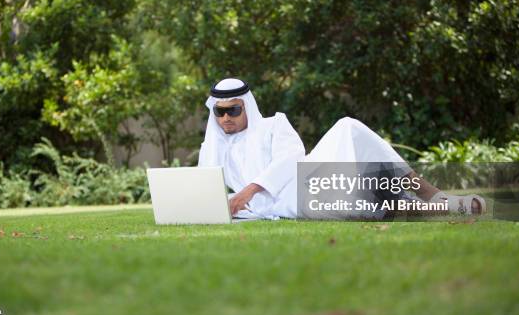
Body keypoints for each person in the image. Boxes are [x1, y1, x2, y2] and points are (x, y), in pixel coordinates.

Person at [198, 78, 486, 219]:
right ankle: (448, 207)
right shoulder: (212, 146)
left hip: (303, 180)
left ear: (246, 106)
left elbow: (291, 159)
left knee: (349, 126)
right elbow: (204, 189)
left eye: (233, 110)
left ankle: (432, 194)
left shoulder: (274, 125)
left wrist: (248, 191)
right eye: (219, 113)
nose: (225, 118)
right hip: (289, 206)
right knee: (357, 203)